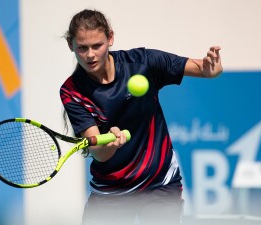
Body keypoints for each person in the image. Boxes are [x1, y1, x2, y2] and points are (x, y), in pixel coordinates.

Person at [59, 9, 223, 225]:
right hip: (111, 189)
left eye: (97, 45)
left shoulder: (142, 62)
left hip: (159, 183)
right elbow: (99, 153)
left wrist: (212, 69)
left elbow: (203, 68)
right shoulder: (72, 91)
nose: (90, 55)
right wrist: (112, 143)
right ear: (71, 45)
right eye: (82, 48)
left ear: (110, 38)